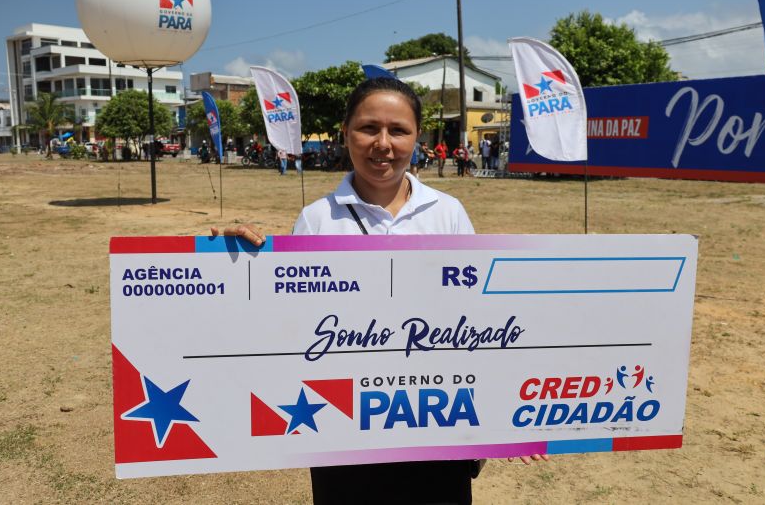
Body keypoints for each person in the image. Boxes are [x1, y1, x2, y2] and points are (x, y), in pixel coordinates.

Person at [211, 77, 547, 504]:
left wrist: (507, 419)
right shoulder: (317, 219)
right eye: (369, 128)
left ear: (417, 138)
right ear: (345, 132)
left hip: (436, 427)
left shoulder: (448, 213)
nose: (383, 144)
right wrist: (232, 265)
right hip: (346, 430)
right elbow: (287, 320)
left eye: (399, 130)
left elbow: (479, 321)